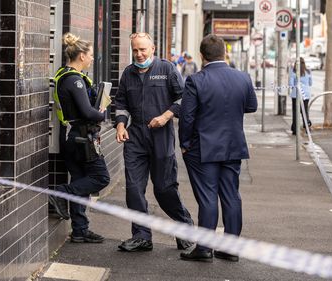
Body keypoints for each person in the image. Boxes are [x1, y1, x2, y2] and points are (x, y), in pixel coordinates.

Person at [178, 35, 257, 262]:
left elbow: (187, 116)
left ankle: (204, 248)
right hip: (233, 145)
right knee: (231, 195)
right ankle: (231, 248)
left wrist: (184, 144)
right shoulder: (242, 77)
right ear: (224, 53)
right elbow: (251, 106)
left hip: (203, 147)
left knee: (208, 197)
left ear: (202, 56)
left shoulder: (195, 80)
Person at [114, 32, 193, 252]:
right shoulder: (128, 73)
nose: (139, 54)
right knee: (133, 188)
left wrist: (166, 116)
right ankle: (141, 236)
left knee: (164, 189)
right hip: (135, 136)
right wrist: (120, 125)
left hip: (161, 136)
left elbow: (182, 98)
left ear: (153, 48)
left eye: (143, 49)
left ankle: (185, 228)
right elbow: (121, 104)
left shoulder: (167, 69)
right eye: (135, 50)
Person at [50, 33, 110, 243]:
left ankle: (80, 230)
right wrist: (103, 113)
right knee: (101, 177)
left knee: (79, 180)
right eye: (91, 55)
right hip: (81, 138)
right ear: (82, 56)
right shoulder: (74, 79)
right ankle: (61, 193)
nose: (93, 59)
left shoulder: (64, 74)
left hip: (72, 136)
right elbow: (86, 111)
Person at [289, 57, 312, 135]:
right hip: (306, 94)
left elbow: (291, 84)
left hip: (296, 94)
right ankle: (307, 127)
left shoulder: (294, 72)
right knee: (305, 111)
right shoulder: (308, 72)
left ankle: (295, 129)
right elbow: (310, 83)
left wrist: (294, 86)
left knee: (295, 112)